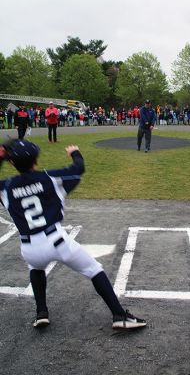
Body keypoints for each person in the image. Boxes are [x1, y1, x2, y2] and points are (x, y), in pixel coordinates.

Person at [0, 139, 147, 330]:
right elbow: (79, 168)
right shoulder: (50, 178)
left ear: (12, 163)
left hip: (29, 248)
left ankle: (41, 313)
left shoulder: (5, 187)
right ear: (35, 159)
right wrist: (75, 152)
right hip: (57, 241)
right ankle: (119, 315)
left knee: (35, 268)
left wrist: (2, 157)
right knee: (94, 269)